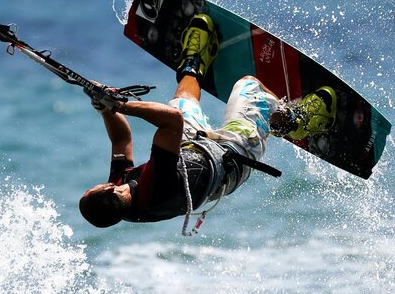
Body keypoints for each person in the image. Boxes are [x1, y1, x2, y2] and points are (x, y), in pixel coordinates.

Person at [79, 14, 337, 229]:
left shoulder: (117, 192)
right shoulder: (153, 189)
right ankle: (292, 122)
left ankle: (194, 63)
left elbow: (121, 139)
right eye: (98, 187)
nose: (109, 183)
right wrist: (120, 105)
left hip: (192, 150)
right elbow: (171, 122)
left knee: (182, 99)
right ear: (109, 191)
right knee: (249, 86)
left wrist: (104, 108)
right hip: (231, 158)